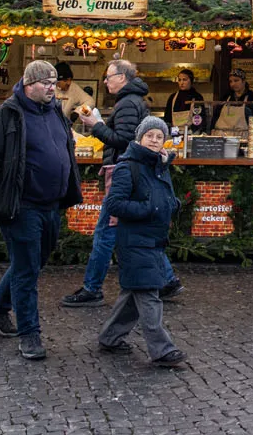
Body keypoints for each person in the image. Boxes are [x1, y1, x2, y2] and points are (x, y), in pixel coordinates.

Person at [0, 60, 82, 361]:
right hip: (22, 207)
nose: (52, 87)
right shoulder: (6, 115)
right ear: (28, 83)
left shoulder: (55, 113)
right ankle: (29, 335)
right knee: (26, 270)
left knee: (31, 263)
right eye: (46, 83)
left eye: (54, 82)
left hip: (51, 205)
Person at [66, 60, 182, 308]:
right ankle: (167, 280)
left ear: (123, 77)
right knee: (126, 231)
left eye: (109, 76)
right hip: (125, 171)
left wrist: (95, 126)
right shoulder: (131, 101)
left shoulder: (128, 103)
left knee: (106, 233)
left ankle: (92, 288)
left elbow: (125, 141)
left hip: (121, 172)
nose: (105, 81)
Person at [96, 116, 187, 367]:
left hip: (153, 240)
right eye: (150, 136)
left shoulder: (158, 166)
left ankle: (110, 337)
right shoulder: (128, 166)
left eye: (159, 137)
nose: (155, 140)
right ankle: (162, 349)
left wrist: (172, 205)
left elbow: (163, 197)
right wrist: (149, 209)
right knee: (149, 293)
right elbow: (114, 204)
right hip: (134, 241)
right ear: (140, 138)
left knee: (134, 292)